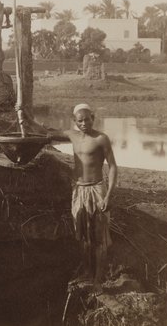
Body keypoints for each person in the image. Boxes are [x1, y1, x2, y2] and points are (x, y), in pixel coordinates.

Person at [32, 103, 118, 294]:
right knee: (83, 236)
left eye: (87, 119)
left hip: (97, 189)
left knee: (99, 237)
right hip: (78, 190)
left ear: (93, 118)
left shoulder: (101, 139)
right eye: (80, 120)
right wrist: (25, 117)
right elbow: (46, 132)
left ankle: (98, 280)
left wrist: (108, 195)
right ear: (75, 122)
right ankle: (87, 272)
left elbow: (112, 166)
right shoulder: (72, 135)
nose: (84, 123)